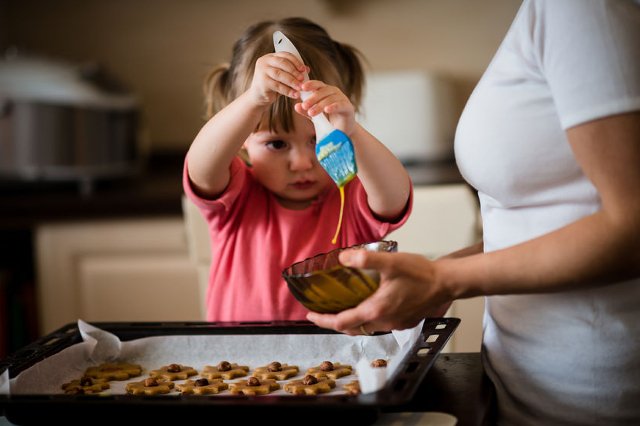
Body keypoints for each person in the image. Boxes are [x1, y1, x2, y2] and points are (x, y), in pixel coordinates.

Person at [307, 1, 640, 425]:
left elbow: (631, 227)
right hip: (522, 385)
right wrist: (442, 274)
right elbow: (557, 222)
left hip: (589, 396)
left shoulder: (584, 8)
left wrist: (443, 280)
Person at [183, 17, 412, 323]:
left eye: (317, 138)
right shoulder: (235, 199)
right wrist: (253, 101)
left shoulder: (352, 196)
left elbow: (394, 196)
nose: (303, 163)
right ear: (243, 138)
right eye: (277, 144)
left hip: (343, 366)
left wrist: (351, 131)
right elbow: (201, 168)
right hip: (237, 366)